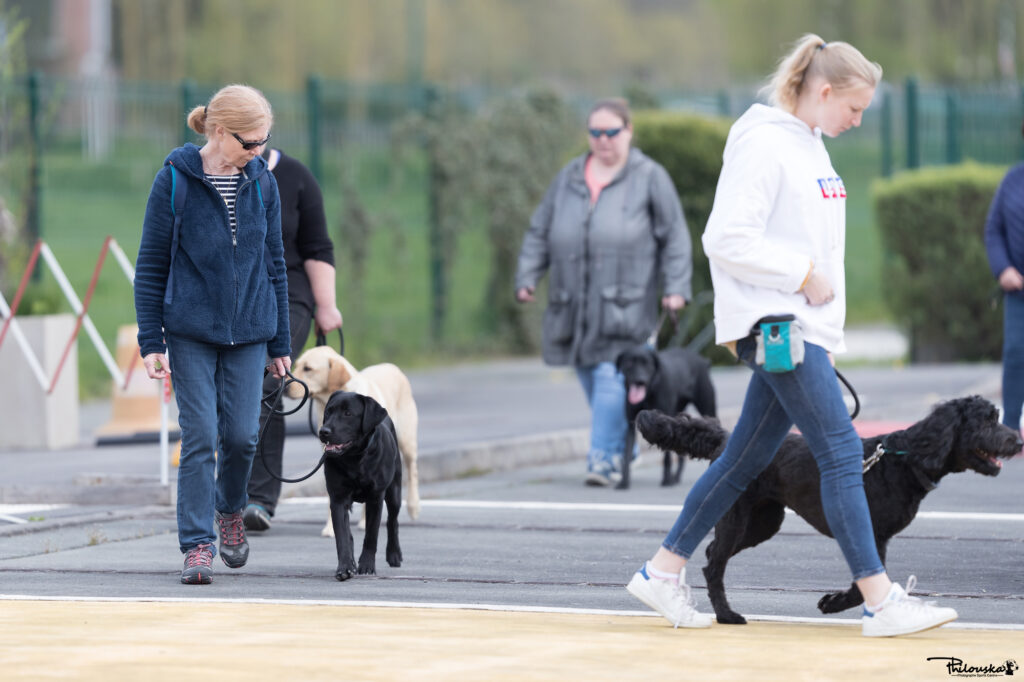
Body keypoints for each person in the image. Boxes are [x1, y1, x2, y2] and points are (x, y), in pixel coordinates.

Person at [625, 35, 960, 637]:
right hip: (779, 328)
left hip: (800, 327)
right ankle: (880, 601)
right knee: (838, 451)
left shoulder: (809, 144)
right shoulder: (764, 143)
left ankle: (662, 569)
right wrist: (801, 275)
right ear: (824, 91)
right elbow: (725, 237)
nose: (858, 121)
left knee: (743, 459)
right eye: (854, 109)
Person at [135, 84, 291, 585]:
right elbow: (152, 264)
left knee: (243, 438)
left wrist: (280, 343)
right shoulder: (175, 181)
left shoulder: (263, 183)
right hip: (190, 332)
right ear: (219, 132)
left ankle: (230, 511)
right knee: (200, 436)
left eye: (264, 141)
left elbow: (275, 266)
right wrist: (150, 340)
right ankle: (197, 545)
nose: (258, 151)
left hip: (250, 331)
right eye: (250, 142)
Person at [514, 98, 692, 487]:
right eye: (595, 132)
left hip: (628, 306)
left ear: (628, 132)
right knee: (594, 380)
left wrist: (677, 287)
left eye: (611, 131)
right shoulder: (570, 177)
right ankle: (623, 444)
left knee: (614, 378)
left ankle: (602, 459)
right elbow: (540, 230)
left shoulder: (650, 177)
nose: (603, 140)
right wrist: (528, 275)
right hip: (573, 306)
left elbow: (675, 237)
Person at [243, 146, 343, 532]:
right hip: (231, 299)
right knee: (236, 389)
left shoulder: (296, 177)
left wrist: (327, 304)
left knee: (268, 380)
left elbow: (317, 245)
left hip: (288, 295)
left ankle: (258, 499)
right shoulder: (216, 172)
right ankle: (228, 495)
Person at [984, 130, 1024, 435]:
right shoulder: (1013, 180)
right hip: (1018, 292)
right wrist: (1004, 269)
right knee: (1015, 354)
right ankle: (1010, 427)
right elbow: (994, 229)